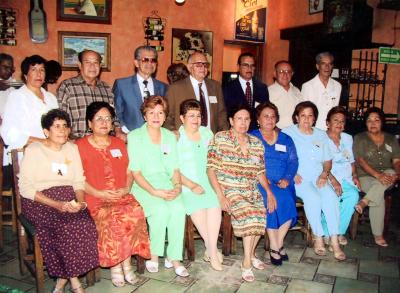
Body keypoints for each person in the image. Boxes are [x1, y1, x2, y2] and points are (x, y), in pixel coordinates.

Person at [18, 109, 99, 293]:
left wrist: (80, 202)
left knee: (85, 223)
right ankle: (75, 283)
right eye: (56, 126)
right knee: (63, 226)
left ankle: (62, 281)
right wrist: (57, 205)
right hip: (40, 201)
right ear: (46, 131)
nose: (62, 130)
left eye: (65, 126)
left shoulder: (72, 148)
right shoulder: (34, 150)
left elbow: (78, 179)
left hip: (68, 197)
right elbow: (26, 188)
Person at [76, 102, 151, 287]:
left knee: (134, 211)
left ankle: (126, 265)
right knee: (111, 218)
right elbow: (77, 179)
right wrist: (99, 193)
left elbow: (129, 170)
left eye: (108, 118)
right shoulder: (80, 146)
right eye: (99, 119)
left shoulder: (119, 143)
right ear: (89, 123)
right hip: (95, 197)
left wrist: (126, 188)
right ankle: (116, 267)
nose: (104, 122)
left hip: (121, 194)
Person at [207, 104, 277, 282]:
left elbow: (260, 172)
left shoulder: (256, 143)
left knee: (260, 216)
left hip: (250, 189)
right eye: (239, 118)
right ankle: (246, 262)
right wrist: (221, 195)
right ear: (231, 121)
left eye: (246, 119)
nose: (243, 123)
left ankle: (251, 255)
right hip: (229, 189)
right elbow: (211, 170)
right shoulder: (220, 139)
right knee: (252, 216)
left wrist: (268, 192)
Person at [127, 96, 188, 277]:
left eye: (160, 112)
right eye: (151, 112)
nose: (156, 116)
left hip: (166, 183)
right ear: (144, 115)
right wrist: (155, 192)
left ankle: (174, 257)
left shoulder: (169, 136)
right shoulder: (135, 136)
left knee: (178, 208)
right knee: (161, 210)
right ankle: (154, 255)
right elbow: (136, 172)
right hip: (143, 186)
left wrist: (177, 186)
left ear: (165, 116)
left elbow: (175, 168)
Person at [282, 101, 345, 260]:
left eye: (310, 116)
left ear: (315, 118)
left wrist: (325, 174)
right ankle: (318, 237)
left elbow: (327, 160)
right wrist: (290, 173)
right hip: (299, 179)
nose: (306, 119)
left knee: (331, 198)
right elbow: (281, 158)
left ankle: (334, 240)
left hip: (319, 177)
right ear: (296, 117)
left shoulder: (321, 135)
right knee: (313, 198)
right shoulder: (287, 133)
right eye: (303, 115)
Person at [250, 102, 298, 266]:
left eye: (273, 116)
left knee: (287, 199)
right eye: (266, 116)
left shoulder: (286, 138)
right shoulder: (252, 137)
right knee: (271, 200)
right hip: (261, 182)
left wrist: (287, 178)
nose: (270, 119)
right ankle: (275, 246)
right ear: (258, 119)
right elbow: (251, 162)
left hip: (283, 182)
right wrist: (263, 178)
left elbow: (293, 162)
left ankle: (277, 244)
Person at [177, 99, 222, 271]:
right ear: (182, 118)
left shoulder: (207, 133)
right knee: (197, 207)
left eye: (198, 115)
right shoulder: (176, 137)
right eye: (191, 116)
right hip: (186, 183)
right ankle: (213, 251)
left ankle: (210, 250)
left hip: (208, 180)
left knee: (214, 205)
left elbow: (215, 160)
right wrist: (191, 185)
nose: (196, 119)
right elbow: (173, 169)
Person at [353, 107, 400, 247]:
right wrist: (377, 175)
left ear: (382, 122)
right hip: (365, 176)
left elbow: (397, 161)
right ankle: (378, 235)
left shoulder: (391, 139)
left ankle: (365, 201)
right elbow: (360, 161)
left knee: (390, 173)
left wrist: (398, 174)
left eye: (376, 120)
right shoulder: (359, 138)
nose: (373, 123)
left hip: (388, 176)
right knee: (378, 195)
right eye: (369, 120)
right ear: (365, 123)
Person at [57, 50, 124, 140]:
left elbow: (113, 117)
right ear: (80, 65)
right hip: (77, 142)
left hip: (103, 141)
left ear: (100, 66)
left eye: (96, 62)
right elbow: (61, 117)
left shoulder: (106, 89)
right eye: (87, 62)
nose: (92, 66)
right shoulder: (68, 86)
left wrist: (118, 131)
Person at [321, 106, 360, 246]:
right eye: (335, 120)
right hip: (328, 177)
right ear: (327, 123)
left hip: (346, 178)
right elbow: (320, 164)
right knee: (332, 197)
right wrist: (334, 180)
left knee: (353, 195)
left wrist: (355, 175)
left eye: (342, 121)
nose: (339, 123)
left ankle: (338, 232)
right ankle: (326, 232)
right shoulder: (321, 138)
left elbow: (352, 160)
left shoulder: (348, 138)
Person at [1, 55, 58, 150]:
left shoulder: (51, 97)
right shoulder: (17, 96)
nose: (39, 74)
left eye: (42, 70)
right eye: (34, 70)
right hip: (26, 151)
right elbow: (8, 132)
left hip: (51, 149)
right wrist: (43, 142)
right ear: (25, 75)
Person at [165, 51, 229, 133]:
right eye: (198, 64)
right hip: (186, 139)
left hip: (211, 139)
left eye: (205, 65)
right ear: (189, 67)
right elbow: (168, 116)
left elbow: (221, 114)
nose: (203, 68)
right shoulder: (175, 88)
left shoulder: (215, 86)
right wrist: (174, 132)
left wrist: (224, 133)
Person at [113, 46, 167, 132]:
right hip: (129, 135)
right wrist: (121, 130)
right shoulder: (122, 85)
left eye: (153, 60)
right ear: (136, 63)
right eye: (145, 60)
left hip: (156, 135)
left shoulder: (163, 87)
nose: (150, 63)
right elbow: (116, 111)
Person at [223, 52, 269, 130]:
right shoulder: (227, 88)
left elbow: (265, 111)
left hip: (256, 131)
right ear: (238, 67)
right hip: (236, 131)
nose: (249, 68)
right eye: (245, 65)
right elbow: (224, 113)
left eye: (252, 65)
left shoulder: (262, 88)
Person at [301, 52, 341, 130]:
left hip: (331, 129)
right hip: (313, 128)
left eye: (329, 64)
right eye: (323, 64)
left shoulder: (337, 86)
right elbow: (304, 112)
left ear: (332, 66)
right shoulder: (307, 86)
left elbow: (336, 111)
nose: (327, 67)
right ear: (317, 66)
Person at [268, 61, 303, 129]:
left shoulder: (297, 91)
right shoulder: (267, 91)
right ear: (275, 74)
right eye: (281, 71)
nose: (285, 74)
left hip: (296, 132)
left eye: (288, 71)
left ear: (292, 74)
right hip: (277, 132)